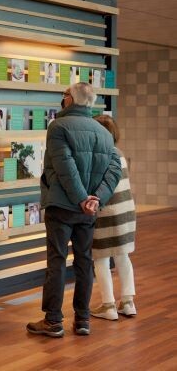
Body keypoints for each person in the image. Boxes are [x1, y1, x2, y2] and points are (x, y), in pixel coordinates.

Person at [27, 82, 122, 338]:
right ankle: (82, 320)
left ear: (70, 99)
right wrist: (95, 200)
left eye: (64, 94)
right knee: (84, 263)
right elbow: (114, 170)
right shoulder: (103, 132)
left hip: (61, 206)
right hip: (87, 211)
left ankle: (53, 321)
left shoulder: (58, 126)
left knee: (56, 262)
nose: (62, 98)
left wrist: (82, 198)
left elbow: (65, 166)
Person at [90, 115, 137, 320]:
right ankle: (128, 302)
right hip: (126, 212)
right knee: (123, 256)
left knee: (100, 258)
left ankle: (108, 305)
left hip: (105, 213)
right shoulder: (120, 154)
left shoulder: (98, 157)